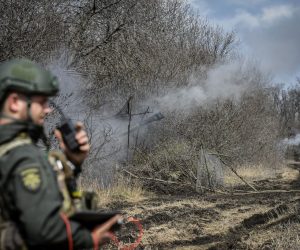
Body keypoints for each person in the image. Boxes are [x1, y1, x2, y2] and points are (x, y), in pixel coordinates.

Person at [0, 58, 121, 250]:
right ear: (15, 102)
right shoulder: (23, 157)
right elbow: (44, 231)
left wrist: (73, 163)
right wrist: (90, 238)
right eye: (41, 102)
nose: (47, 110)